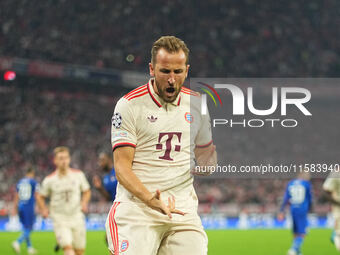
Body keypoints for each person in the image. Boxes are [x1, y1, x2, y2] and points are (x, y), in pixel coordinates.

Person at [105, 35, 217, 255]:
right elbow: (121, 167)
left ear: (186, 70)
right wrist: (150, 199)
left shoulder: (198, 105)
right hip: (138, 210)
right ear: (151, 69)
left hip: (182, 212)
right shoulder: (129, 105)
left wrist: (208, 164)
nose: (172, 79)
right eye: (165, 71)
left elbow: (206, 158)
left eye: (178, 72)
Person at [36, 146, 91, 255]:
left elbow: (87, 191)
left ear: (69, 159)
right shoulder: (50, 179)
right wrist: (44, 209)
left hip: (77, 216)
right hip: (59, 218)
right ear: (55, 161)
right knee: (68, 249)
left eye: (66, 158)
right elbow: (40, 196)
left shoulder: (78, 175)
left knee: (79, 251)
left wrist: (84, 203)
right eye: (60, 158)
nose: (64, 161)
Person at [278, 171, 313, 255]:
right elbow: (310, 198)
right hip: (302, 209)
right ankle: (294, 249)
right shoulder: (306, 184)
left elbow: (286, 198)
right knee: (303, 232)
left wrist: (281, 210)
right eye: (308, 174)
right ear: (302, 174)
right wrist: (311, 209)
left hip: (293, 209)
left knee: (295, 231)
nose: (309, 176)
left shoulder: (291, 183)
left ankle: (298, 251)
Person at [11, 167, 39, 254]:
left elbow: (16, 195)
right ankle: (18, 242)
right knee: (30, 228)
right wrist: (39, 207)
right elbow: (37, 195)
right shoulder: (33, 182)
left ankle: (29, 248)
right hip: (29, 206)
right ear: (32, 173)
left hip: (21, 206)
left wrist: (14, 208)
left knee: (25, 228)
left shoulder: (20, 182)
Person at [323, 170, 340, 251]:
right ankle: (336, 236)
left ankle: (335, 235)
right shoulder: (336, 173)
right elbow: (326, 191)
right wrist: (337, 202)